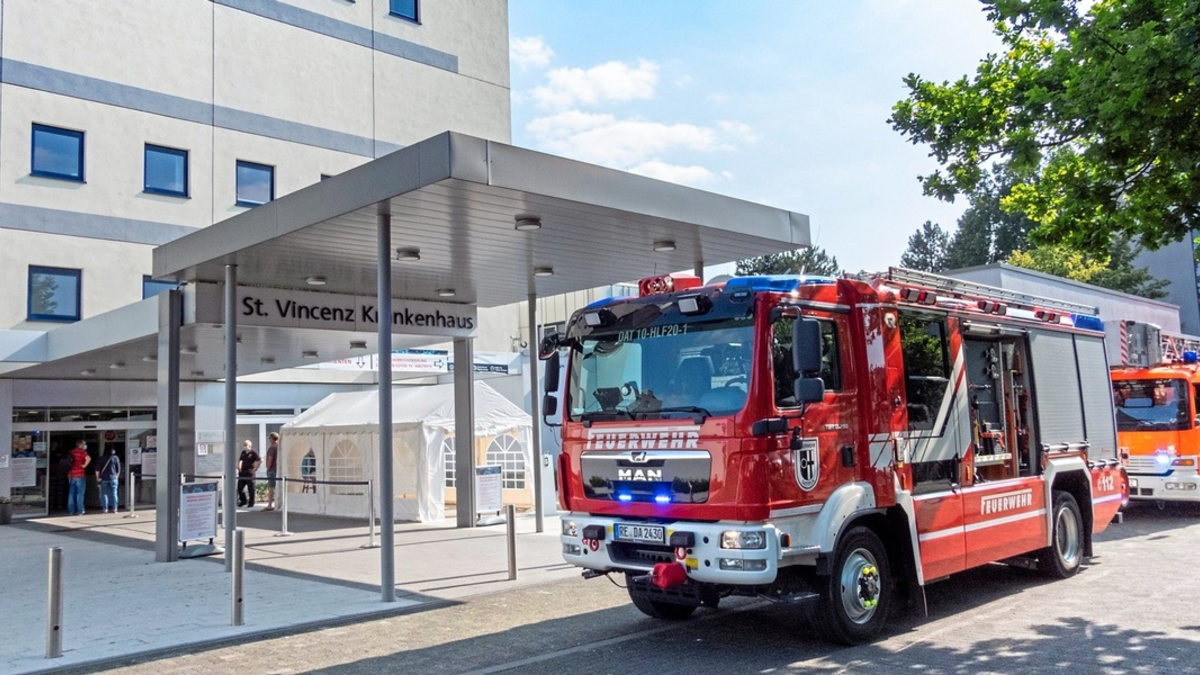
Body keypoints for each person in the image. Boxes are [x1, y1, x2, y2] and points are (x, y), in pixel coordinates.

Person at [66, 439, 91, 516]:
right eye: (84, 444)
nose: (85, 446)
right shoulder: (82, 452)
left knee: (71, 494)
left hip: (71, 475)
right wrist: (84, 465)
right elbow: (88, 458)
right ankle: (80, 510)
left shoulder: (71, 452)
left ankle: (71, 511)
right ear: (79, 444)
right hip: (80, 474)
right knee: (80, 494)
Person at [96, 447, 121, 514]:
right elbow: (118, 470)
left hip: (103, 478)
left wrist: (98, 479)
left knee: (104, 494)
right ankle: (115, 509)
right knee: (114, 493)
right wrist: (116, 478)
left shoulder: (101, 458)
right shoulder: (115, 458)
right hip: (113, 478)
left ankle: (105, 509)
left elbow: (97, 470)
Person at [237, 439, 261, 508]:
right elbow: (240, 460)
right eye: (244, 445)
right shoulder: (243, 452)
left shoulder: (253, 453)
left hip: (250, 472)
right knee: (240, 488)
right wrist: (239, 467)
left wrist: (255, 469)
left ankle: (251, 502)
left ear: (250, 446)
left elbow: (260, 460)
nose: (244, 447)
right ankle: (243, 501)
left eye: (246, 445)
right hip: (242, 472)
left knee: (251, 488)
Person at [263, 432, 280, 511]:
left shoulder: (272, 448)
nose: (269, 440)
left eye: (270, 438)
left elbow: (270, 459)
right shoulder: (279, 448)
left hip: (272, 470)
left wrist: (268, 468)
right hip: (278, 469)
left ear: (273, 439)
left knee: (271, 487)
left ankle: (270, 504)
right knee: (278, 487)